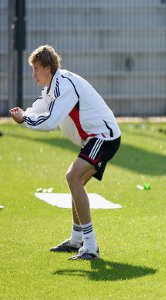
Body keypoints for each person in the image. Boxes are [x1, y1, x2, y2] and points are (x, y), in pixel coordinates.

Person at [9, 45, 121, 260]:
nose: (33, 74)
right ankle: (76, 240)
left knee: (73, 177)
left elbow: (51, 121)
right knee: (75, 181)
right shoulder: (54, 86)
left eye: (37, 68)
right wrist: (26, 115)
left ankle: (90, 246)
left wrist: (25, 119)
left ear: (49, 68)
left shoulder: (64, 84)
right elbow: (42, 107)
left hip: (103, 137)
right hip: (95, 137)